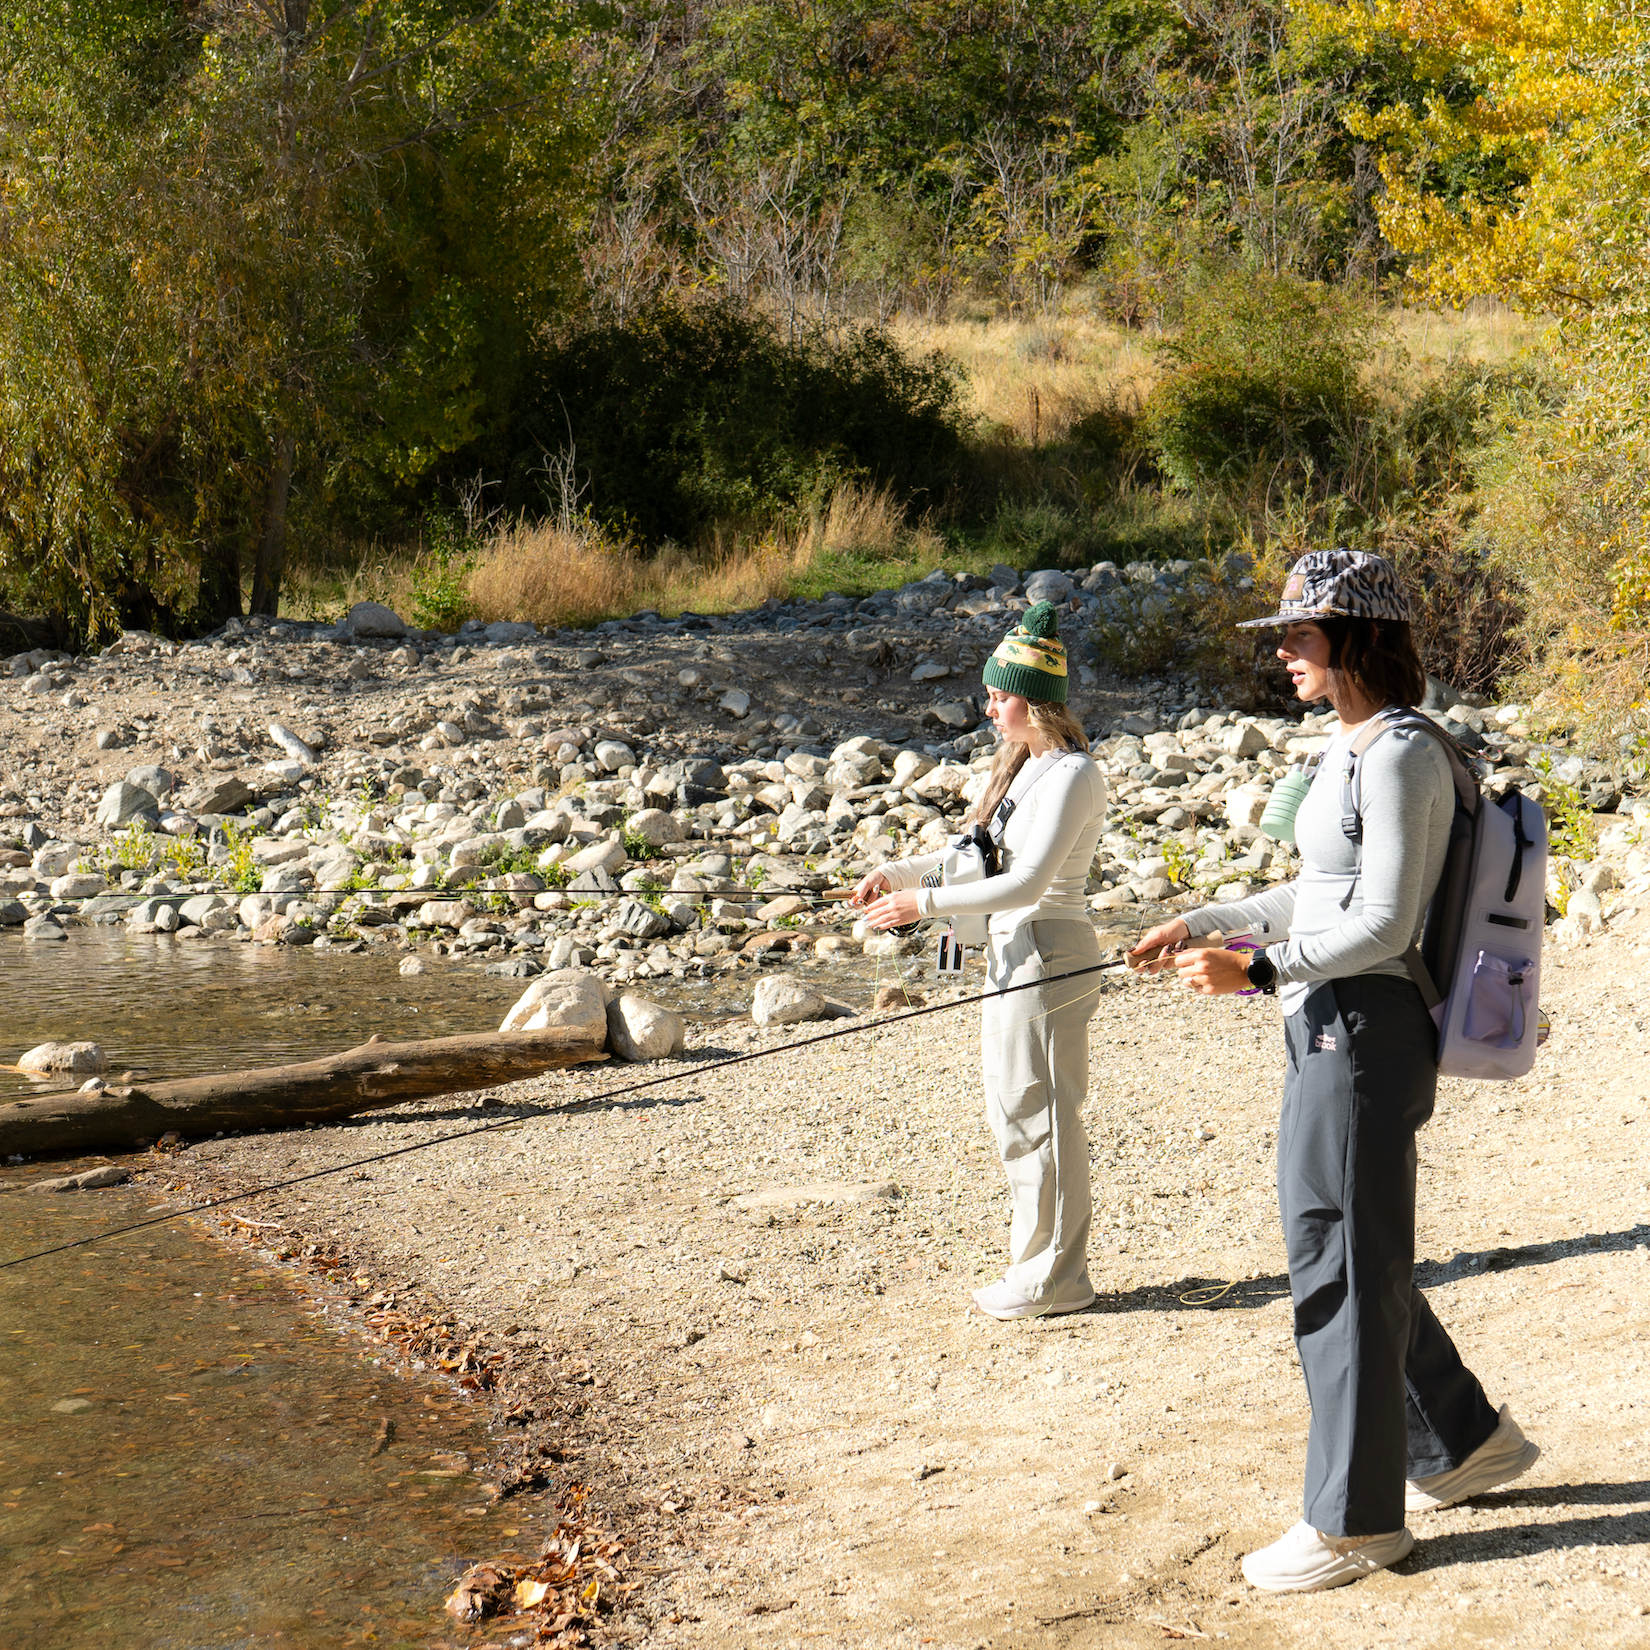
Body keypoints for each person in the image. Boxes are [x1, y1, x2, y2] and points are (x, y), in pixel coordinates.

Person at [1132, 549, 1540, 1593]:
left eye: (1299, 635)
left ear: (1358, 637)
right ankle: (1464, 1442)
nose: (1282, 652)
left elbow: (1384, 923)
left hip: (1361, 1028)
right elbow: (1324, 891)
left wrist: (1256, 970)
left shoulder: (1399, 753)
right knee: (1353, 1251)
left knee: (1340, 1265)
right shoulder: (1356, 747)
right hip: (1334, 1021)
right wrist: (1213, 920)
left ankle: (1358, 1525)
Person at [855, 599, 1108, 1320]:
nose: (989, 709)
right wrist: (899, 875)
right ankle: (1036, 1267)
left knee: (1046, 1114)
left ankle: (1060, 1277)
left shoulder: (1073, 774)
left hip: (1049, 951)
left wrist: (922, 908)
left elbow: (1030, 883)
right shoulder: (1021, 769)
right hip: (1010, 953)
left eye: (999, 698)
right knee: (1013, 1113)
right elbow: (973, 859)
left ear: (1034, 703)